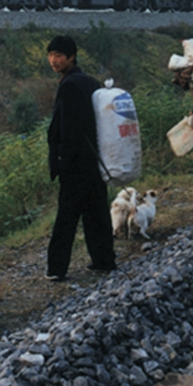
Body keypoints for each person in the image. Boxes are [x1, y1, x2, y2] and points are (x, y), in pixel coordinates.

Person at [45, 35, 116, 279]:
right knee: (96, 211)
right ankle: (104, 259)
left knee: (66, 217)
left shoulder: (70, 84)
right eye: (51, 55)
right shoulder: (90, 81)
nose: (53, 60)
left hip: (75, 162)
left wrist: (62, 159)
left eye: (58, 56)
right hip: (94, 158)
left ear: (71, 57)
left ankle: (56, 269)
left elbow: (68, 128)